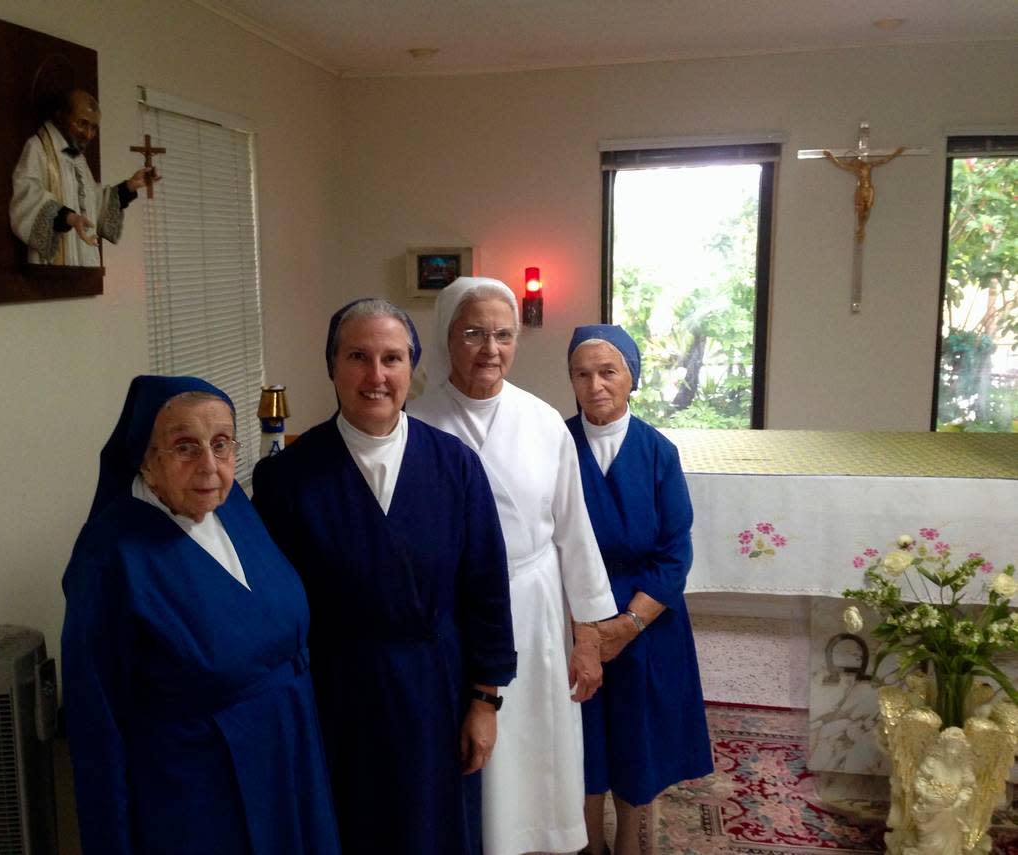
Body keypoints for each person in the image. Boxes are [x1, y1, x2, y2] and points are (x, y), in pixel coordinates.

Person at [251, 299, 516, 855]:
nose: (377, 376)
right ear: (332, 366)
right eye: (358, 357)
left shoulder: (456, 466)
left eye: (392, 358)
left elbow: (486, 590)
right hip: (336, 696)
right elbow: (271, 615)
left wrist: (484, 703)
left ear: (410, 369)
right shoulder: (285, 479)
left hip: (435, 694)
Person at [61, 375, 340, 855]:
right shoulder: (109, 558)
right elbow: (97, 724)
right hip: (200, 789)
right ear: (146, 461)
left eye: (221, 444)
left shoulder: (233, 509)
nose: (210, 466)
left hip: (287, 753)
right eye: (185, 447)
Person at [408, 277, 617, 855]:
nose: (490, 348)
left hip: (535, 605)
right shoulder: (415, 423)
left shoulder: (544, 420)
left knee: (535, 748)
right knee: (468, 748)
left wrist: (588, 636)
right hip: (457, 614)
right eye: (473, 332)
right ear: (445, 337)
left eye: (503, 334)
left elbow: (575, 532)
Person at [565, 325, 713, 855]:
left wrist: (628, 626)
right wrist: (587, 628)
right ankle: (586, 840)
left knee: (636, 732)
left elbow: (675, 553)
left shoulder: (658, 452)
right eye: (583, 374)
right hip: (573, 614)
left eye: (609, 372)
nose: (596, 385)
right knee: (582, 730)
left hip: (646, 617)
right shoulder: (555, 444)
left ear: (632, 377)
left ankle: (630, 838)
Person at [10, 89, 158, 266]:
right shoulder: (38, 148)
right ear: (61, 116)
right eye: (82, 124)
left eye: (93, 128)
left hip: (83, 270)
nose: (88, 134)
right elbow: (26, 199)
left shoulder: (78, 159)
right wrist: (69, 218)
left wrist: (128, 187)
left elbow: (93, 203)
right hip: (50, 271)